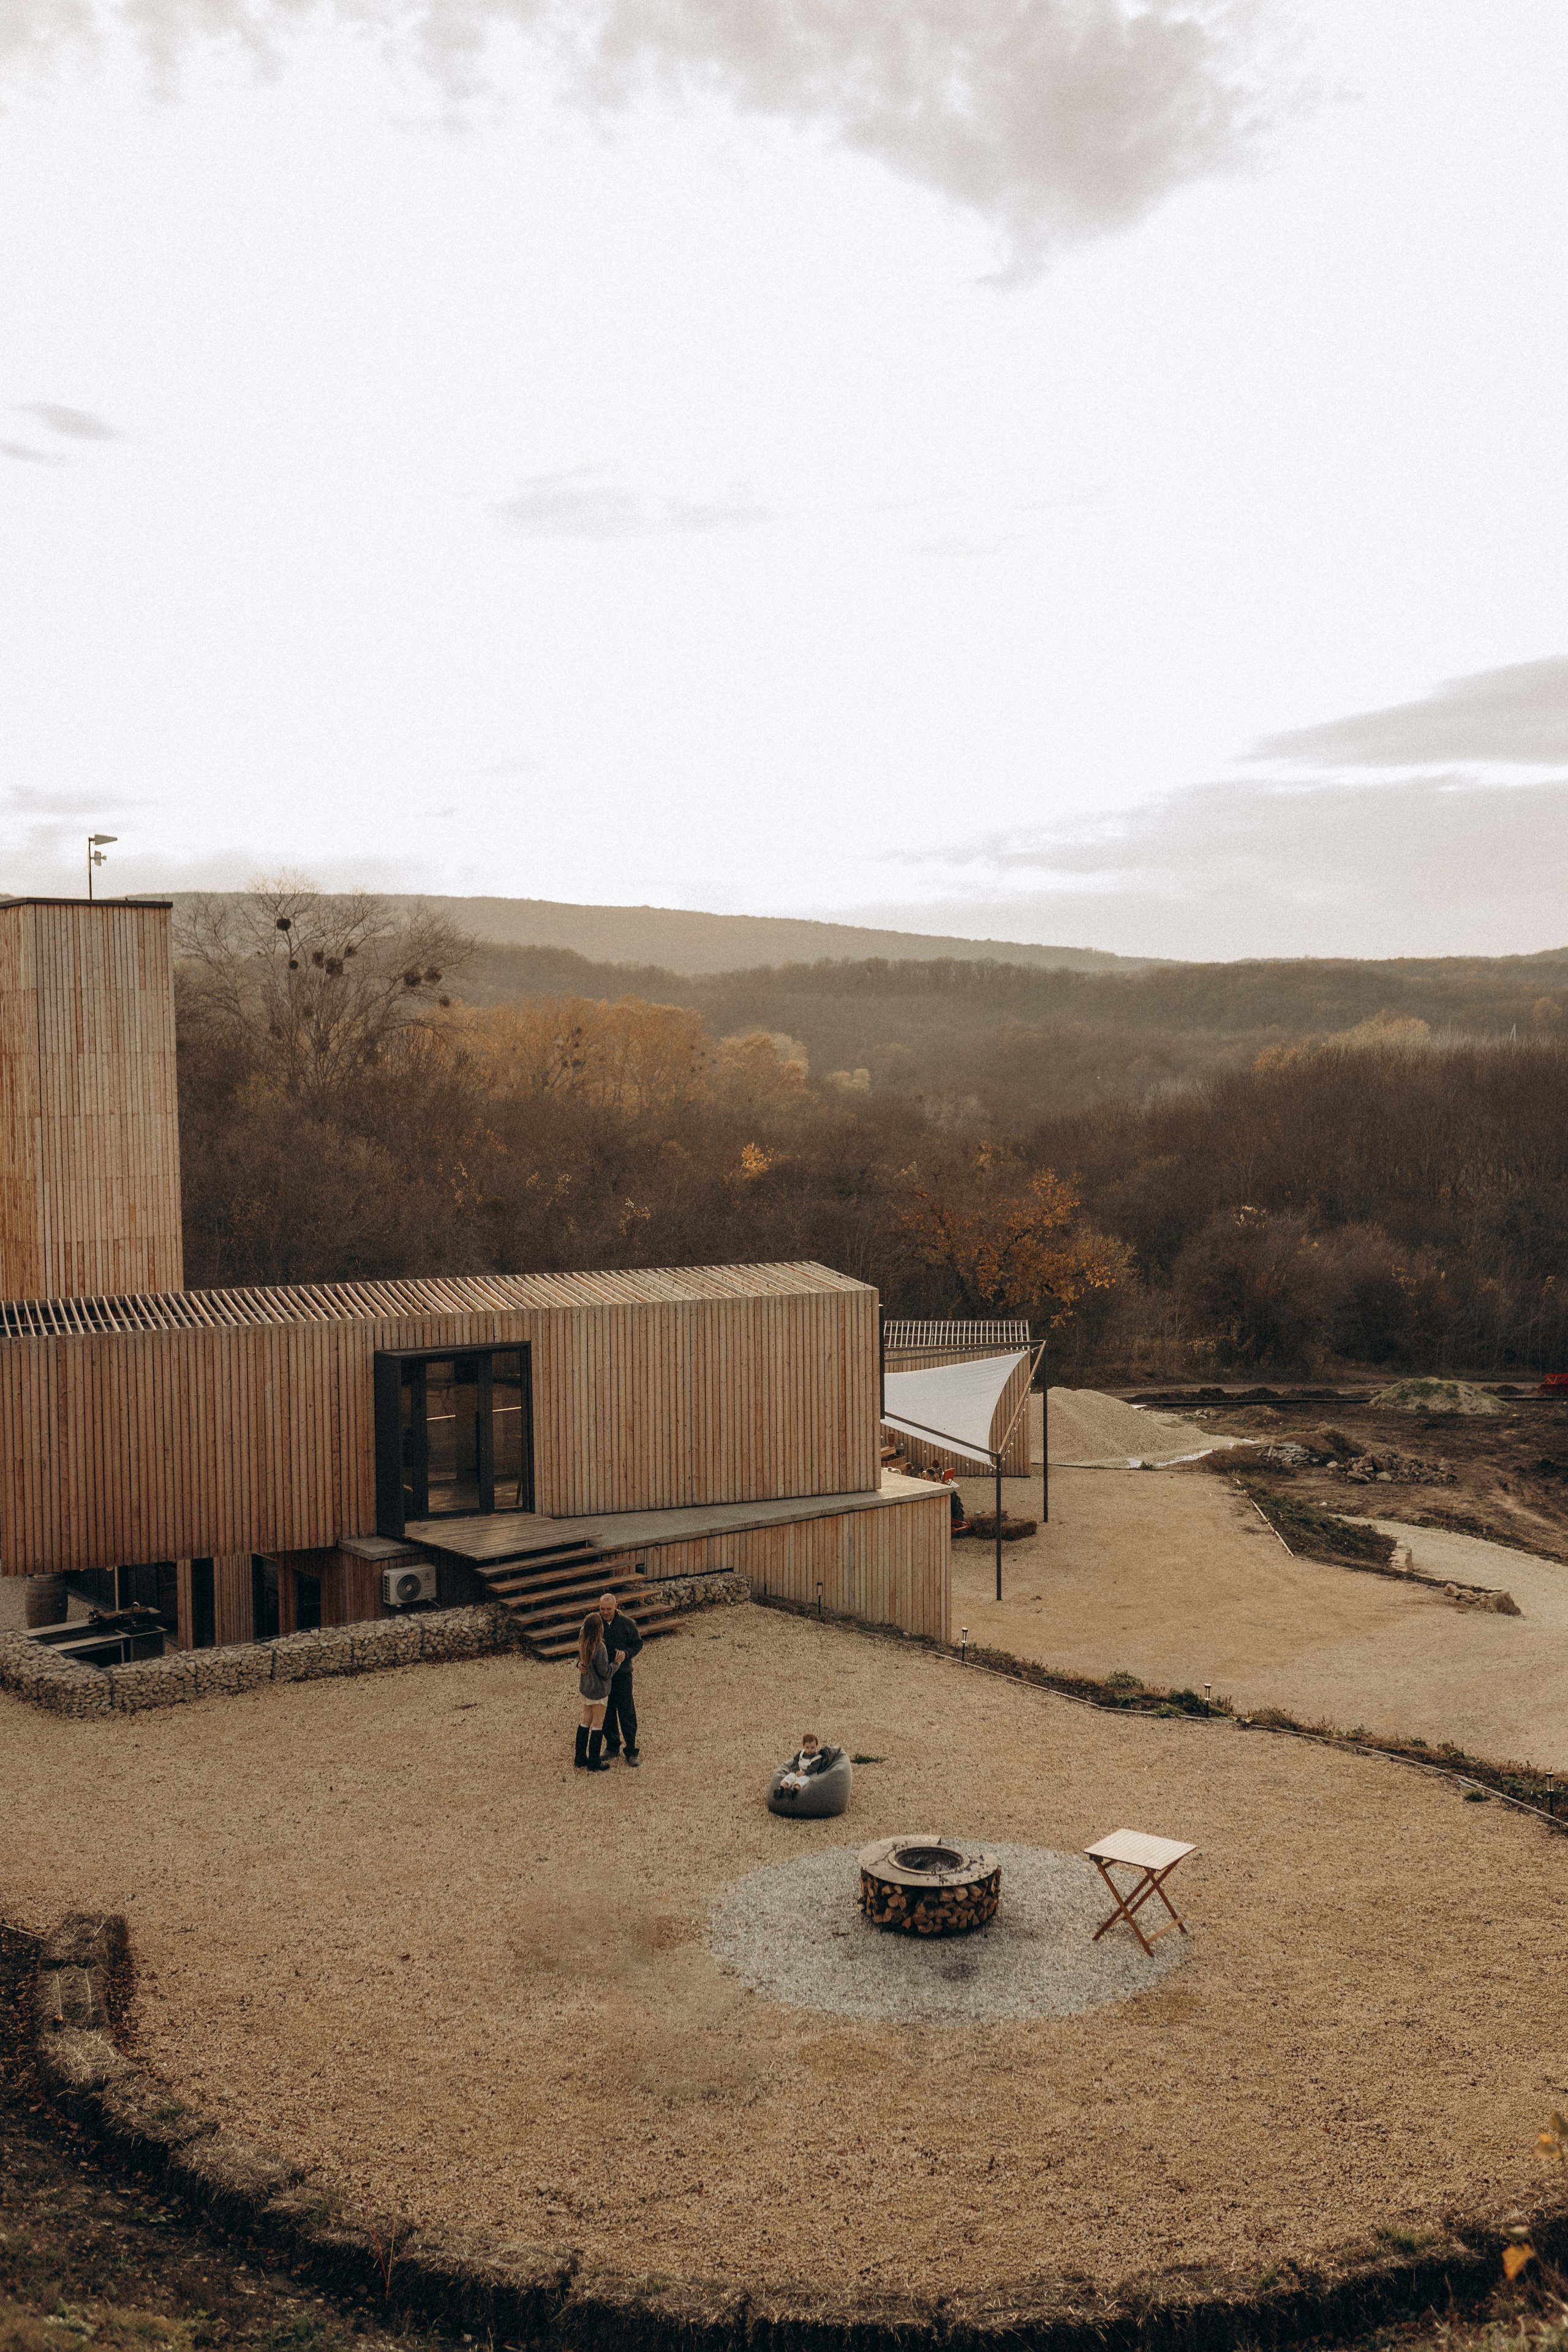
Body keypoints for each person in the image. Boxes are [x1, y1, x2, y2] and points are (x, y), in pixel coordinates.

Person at [597, 1586, 645, 1765]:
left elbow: (638, 1644)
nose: (605, 1612)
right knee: (607, 1712)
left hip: (623, 1675)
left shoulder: (627, 1624)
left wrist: (627, 1654)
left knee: (627, 1712)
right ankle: (612, 1745)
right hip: (604, 1676)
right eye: (602, 1609)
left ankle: (631, 1750)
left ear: (616, 1607)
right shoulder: (595, 1623)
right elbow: (585, 1644)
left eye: (608, 1609)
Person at [575, 1609, 612, 1772]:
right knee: (598, 1724)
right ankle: (594, 1762)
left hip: (586, 1689)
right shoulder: (600, 1647)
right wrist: (616, 1664)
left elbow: (580, 1661)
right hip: (598, 1691)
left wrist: (578, 1665)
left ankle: (580, 1758)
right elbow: (605, 1672)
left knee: (585, 1721)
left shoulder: (583, 1643)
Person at [777, 1732, 843, 1792]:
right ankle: (781, 1788)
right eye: (807, 1747)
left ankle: (794, 1791)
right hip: (798, 1772)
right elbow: (795, 1762)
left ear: (816, 1746)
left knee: (802, 1781)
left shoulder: (817, 1758)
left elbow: (814, 1768)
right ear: (803, 1746)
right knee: (790, 1777)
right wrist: (796, 1770)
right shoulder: (801, 1754)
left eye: (812, 1748)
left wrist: (805, 1773)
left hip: (809, 1775)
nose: (810, 1750)